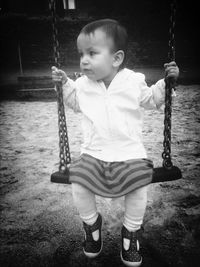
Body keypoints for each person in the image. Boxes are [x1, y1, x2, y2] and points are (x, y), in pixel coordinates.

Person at [52, 19, 179, 267]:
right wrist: (64, 83)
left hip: (129, 153)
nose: (84, 60)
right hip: (93, 153)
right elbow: (74, 102)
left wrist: (167, 82)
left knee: (138, 185)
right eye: (81, 54)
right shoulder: (82, 86)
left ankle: (131, 234)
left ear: (116, 58)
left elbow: (151, 99)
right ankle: (91, 225)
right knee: (78, 180)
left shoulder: (133, 81)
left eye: (92, 53)